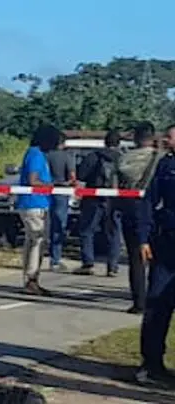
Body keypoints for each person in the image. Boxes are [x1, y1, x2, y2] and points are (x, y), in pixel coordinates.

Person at [133, 124, 175, 385]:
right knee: (157, 306)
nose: (166, 140)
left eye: (170, 137)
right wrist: (143, 238)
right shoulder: (165, 166)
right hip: (167, 245)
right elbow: (149, 202)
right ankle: (151, 364)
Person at [116, 121, 162, 314]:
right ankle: (158, 298)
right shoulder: (162, 158)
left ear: (136, 137)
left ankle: (139, 302)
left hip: (132, 209)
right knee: (160, 259)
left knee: (136, 258)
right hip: (159, 210)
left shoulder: (125, 159)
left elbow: (120, 176)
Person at [15, 124, 63, 296]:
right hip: (34, 203)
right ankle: (31, 279)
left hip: (37, 203)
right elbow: (33, 180)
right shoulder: (36, 155)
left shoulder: (36, 153)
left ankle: (31, 277)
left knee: (33, 241)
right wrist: (53, 185)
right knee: (37, 241)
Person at [74, 130, 122, 277]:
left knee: (87, 230)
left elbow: (81, 175)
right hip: (114, 199)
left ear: (105, 142)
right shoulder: (122, 158)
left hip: (93, 198)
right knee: (114, 233)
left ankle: (88, 263)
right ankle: (112, 266)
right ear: (118, 143)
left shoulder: (93, 156)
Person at [45, 133, 77, 272]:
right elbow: (72, 177)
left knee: (43, 225)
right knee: (58, 225)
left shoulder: (45, 156)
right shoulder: (67, 157)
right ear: (63, 143)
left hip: (44, 191)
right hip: (61, 192)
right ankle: (55, 259)